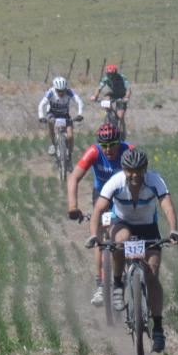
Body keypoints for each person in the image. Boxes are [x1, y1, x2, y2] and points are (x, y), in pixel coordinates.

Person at [88, 148, 178, 353]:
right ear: (123, 169)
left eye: (138, 170)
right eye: (130, 170)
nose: (134, 175)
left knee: (152, 276)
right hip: (121, 222)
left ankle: (158, 328)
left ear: (145, 169)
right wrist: (94, 236)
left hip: (148, 227)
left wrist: (174, 230)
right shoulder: (115, 182)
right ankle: (118, 284)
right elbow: (98, 209)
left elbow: (167, 205)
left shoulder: (155, 181)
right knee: (120, 241)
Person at [67, 123, 133, 306]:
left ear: (119, 142)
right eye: (104, 145)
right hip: (102, 196)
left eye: (112, 144)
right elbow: (74, 177)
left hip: (125, 196)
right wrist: (73, 205)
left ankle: (136, 267)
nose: (108, 149)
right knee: (101, 237)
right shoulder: (94, 152)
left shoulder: (129, 150)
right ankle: (101, 284)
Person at [38, 76, 83, 156]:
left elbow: (79, 101)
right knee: (50, 122)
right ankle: (53, 145)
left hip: (65, 115)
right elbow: (41, 104)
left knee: (70, 136)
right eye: (58, 91)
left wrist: (80, 114)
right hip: (52, 113)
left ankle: (70, 154)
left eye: (63, 91)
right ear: (55, 89)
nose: (61, 93)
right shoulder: (51, 92)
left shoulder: (69, 92)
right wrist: (41, 116)